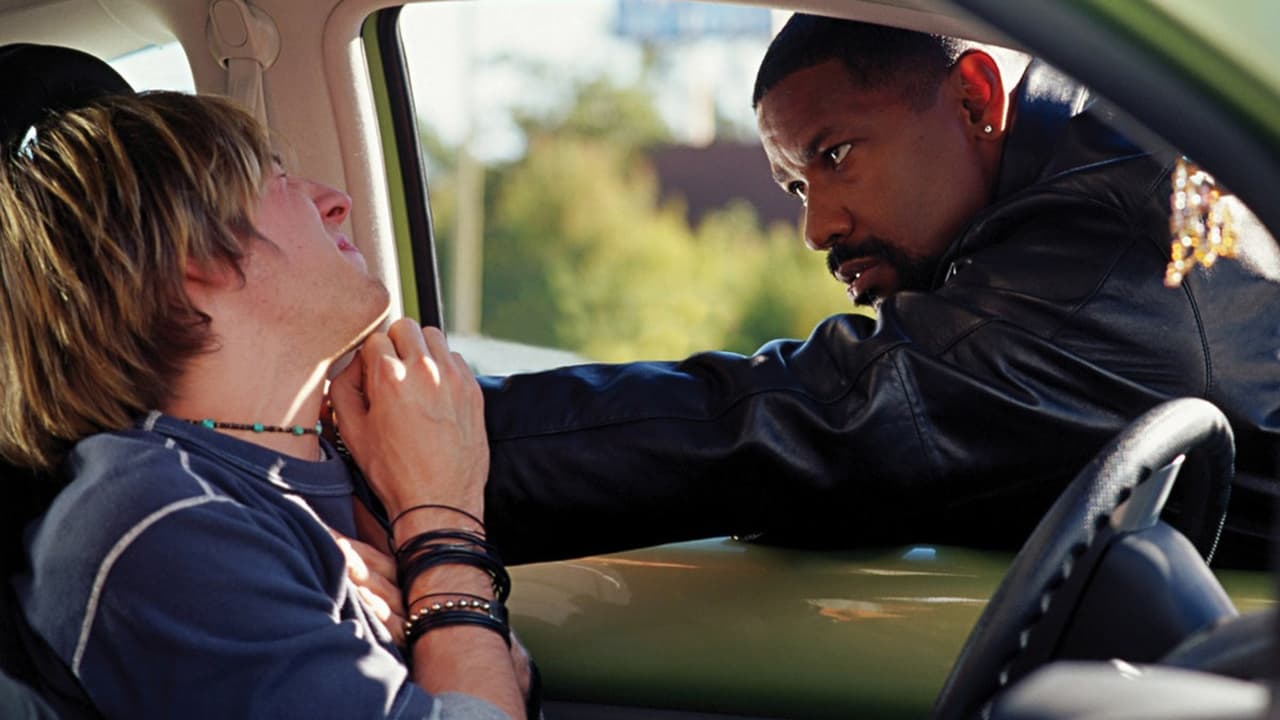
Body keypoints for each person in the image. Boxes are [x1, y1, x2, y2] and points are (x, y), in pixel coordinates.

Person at [477, 15, 1280, 566]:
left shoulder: (1108, 258)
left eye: (834, 156)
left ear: (974, 98)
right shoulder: (1120, 166)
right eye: (797, 187)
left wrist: (449, 438)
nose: (817, 227)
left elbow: (805, 420)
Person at [1, 91, 530, 718]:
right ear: (195, 252)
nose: (336, 201)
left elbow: (501, 680)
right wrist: (443, 526)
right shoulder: (163, 525)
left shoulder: (302, 484)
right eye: (278, 182)